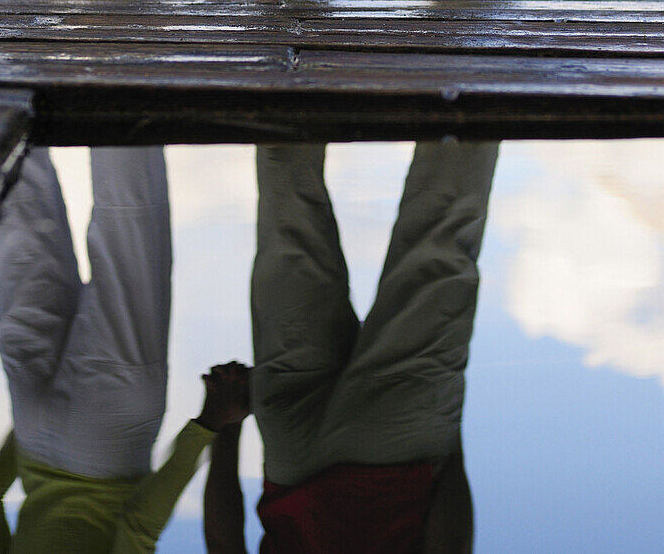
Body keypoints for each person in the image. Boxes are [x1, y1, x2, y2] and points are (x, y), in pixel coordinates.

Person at [204, 139, 498, 551]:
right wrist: (227, 425)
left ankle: (464, 91)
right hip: (294, 455)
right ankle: (294, 85)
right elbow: (223, 544)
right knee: (288, 223)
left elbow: (449, 544)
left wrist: (449, 444)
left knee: (441, 242)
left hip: (398, 447)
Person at [0, 146, 222, 551]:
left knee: (129, 240)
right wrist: (24, 439)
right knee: (23, 224)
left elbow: (138, 528)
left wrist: (208, 424)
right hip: (34, 432)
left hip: (108, 447)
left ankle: (128, 100)